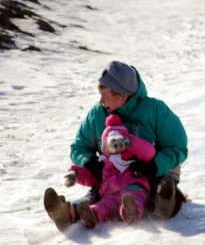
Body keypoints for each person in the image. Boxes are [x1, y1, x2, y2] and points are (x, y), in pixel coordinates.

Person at [44, 60, 188, 232]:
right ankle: (68, 213)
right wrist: (91, 164)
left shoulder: (155, 110)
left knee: (158, 191)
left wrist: (152, 165)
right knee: (97, 195)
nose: (100, 100)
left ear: (122, 95)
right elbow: (78, 147)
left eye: (105, 96)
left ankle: (164, 204)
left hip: (154, 172)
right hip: (112, 177)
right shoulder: (97, 114)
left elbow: (177, 147)